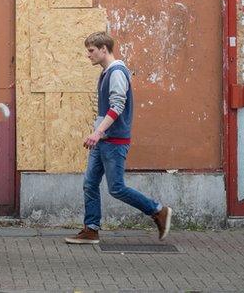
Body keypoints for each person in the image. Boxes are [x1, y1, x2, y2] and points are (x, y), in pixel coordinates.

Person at [65, 32, 173, 245]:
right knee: (90, 184)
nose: (88, 55)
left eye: (91, 50)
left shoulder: (116, 73)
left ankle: (158, 211)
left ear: (103, 49)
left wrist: (97, 132)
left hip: (113, 141)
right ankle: (91, 229)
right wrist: (98, 133)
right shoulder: (106, 72)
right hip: (104, 140)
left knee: (116, 188)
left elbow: (117, 106)